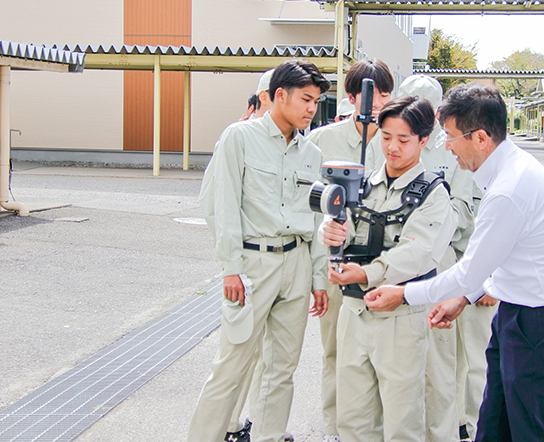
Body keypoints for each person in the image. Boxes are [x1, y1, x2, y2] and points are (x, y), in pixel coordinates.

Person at [365, 83, 544, 442]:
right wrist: (464, 298)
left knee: (528, 432)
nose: (447, 147)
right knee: (493, 426)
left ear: (480, 138)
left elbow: (468, 272)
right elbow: (500, 258)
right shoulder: (508, 171)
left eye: (451, 137)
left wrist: (403, 294)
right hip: (519, 313)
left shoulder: (509, 190)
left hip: (540, 322)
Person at [189, 59, 331, 442]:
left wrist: (319, 278)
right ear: (279, 95)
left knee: (281, 369)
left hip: (297, 263)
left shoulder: (311, 154)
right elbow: (222, 204)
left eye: (316, 102)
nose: (311, 109)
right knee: (231, 366)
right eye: (305, 99)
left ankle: (269, 436)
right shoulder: (239, 137)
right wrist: (230, 267)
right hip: (253, 265)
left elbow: (317, 221)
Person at [321, 95, 458, 442]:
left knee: (402, 421)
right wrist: (332, 233)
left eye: (403, 139)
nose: (392, 147)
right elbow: (343, 224)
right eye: (385, 137)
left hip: (400, 317)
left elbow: (419, 253)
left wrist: (367, 273)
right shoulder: (362, 184)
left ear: (424, 140)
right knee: (353, 419)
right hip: (354, 311)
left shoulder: (434, 194)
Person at [396, 75, 497, 442]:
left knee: (472, 358)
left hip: (465, 261)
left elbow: (472, 214)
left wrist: (488, 278)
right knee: (435, 358)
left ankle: (473, 427)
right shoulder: (401, 143)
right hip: (423, 264)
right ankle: (449, 424)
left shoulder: (455, 147)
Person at [306, 58, 394, 442]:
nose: (378, 102)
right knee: (335, 352)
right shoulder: (322, 141)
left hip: (382, 269)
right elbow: (306, 204)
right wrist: (318, 269)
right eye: (371, 94)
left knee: (382, 358)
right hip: (335, 265)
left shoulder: (395, 140)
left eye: (386, 94)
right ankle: (334, 428)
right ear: (351, 96)